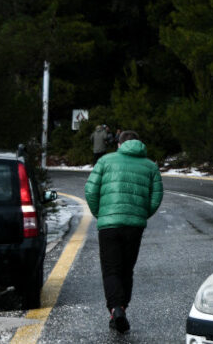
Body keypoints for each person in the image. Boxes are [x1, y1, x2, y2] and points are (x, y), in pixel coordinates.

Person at [84, 130, 163, 333]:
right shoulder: (150, 166)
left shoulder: (105, 161)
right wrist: (142, 214)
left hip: (108, 225)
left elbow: (91, 190)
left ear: (119, 144)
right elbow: (156, 197)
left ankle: (116, 309)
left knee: (111, 269)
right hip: (134, 226)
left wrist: (100, 214)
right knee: (127, 269)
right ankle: (122, 309)